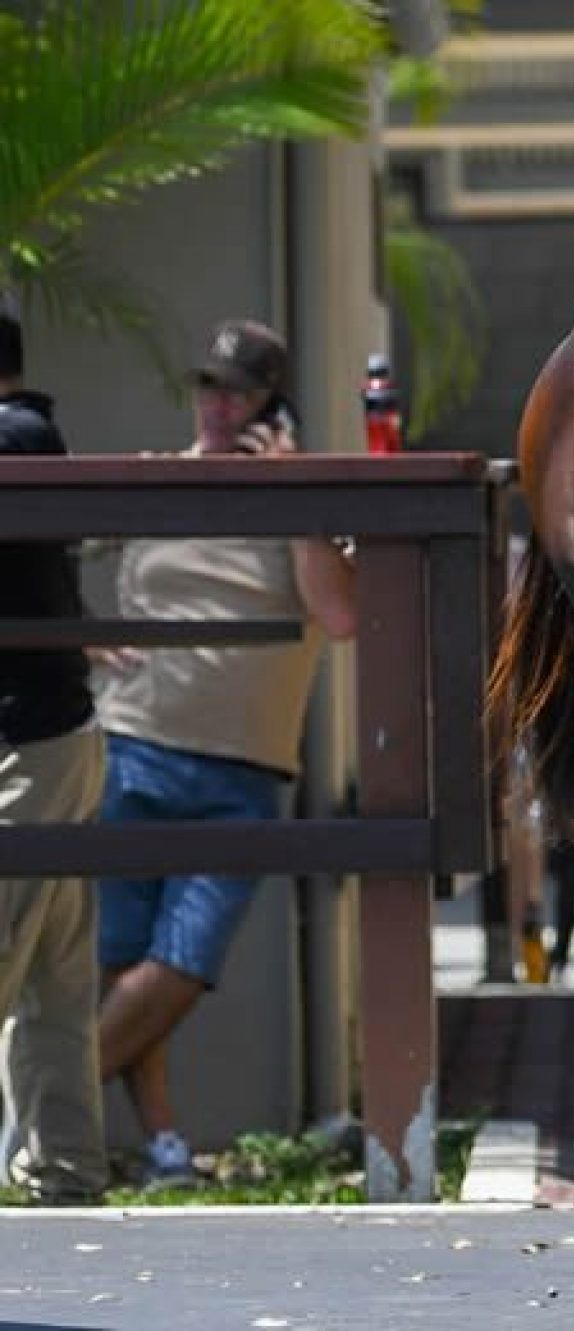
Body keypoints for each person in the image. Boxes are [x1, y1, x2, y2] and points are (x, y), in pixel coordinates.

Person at [92, 318, 357, 1186]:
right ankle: (163, 1144)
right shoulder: (151, 480)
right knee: (123, 964)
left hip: (241, 769)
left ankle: (46, 1105)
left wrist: (293, 493)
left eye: (237, 390)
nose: (218, 404)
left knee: (180, 966)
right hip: (131, 743)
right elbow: (42, 553)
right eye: (208, 386)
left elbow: (345, 615)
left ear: (269, 404)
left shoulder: (299, 501)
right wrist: (78, 640)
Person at [0, 309, 110, 1205]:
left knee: (25, 969)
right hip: (53, 735)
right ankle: (65, 1165)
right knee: (53, 983)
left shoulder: (23, 431)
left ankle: (63, 1163)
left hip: (32, 743)